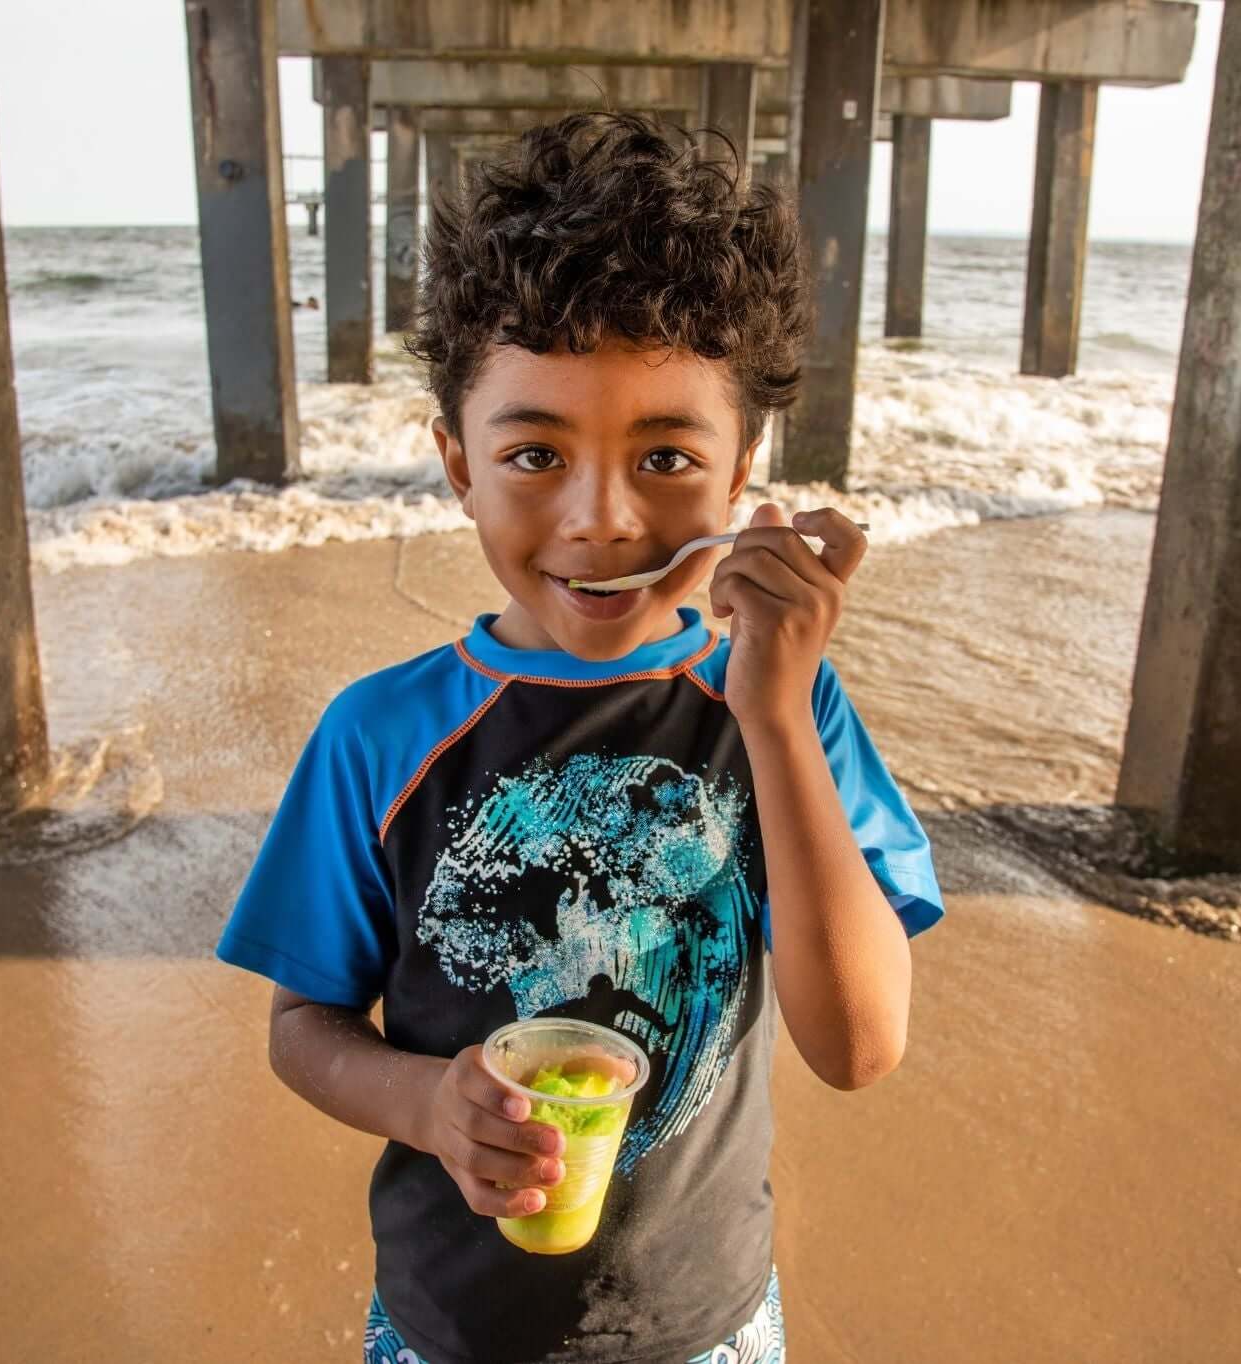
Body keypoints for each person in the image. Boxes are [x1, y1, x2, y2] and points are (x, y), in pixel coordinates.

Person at [216, 112, 943, 1364]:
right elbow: (303, 1025)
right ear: (455, 460)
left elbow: (860, 1045)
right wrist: (426, 1102)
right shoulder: (377, 736)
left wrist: (771, 709)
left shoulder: (785, 707)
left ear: (741, 472)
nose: (602, 519)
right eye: (534, 452)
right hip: (445, 1331)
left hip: (705, 1326)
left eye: (665, 454)